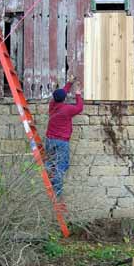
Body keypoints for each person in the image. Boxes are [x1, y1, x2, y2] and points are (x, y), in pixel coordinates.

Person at [45, 77, 83, 209]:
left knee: (51, 163)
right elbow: (79, 108)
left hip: (50, 139)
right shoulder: (67, 109)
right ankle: (57, 195)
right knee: (62, 166)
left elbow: (62, 92)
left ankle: (49, 170)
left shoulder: (52, 104)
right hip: (61, 142)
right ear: (64, 99)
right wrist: (78, 92)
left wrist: (69, 83)